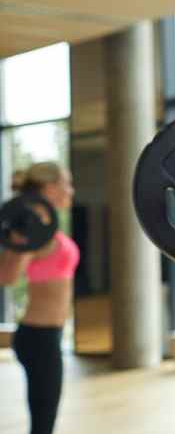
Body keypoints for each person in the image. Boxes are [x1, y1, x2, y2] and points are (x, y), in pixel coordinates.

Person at [0, 162, 79, 434]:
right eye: (66, 184)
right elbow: (8, 276)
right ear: (49, 188)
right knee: (44, 423)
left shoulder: (45, 224)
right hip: (39, 337)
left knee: (45, 419)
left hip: (48, 335)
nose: (71, 190)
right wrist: (24, 237)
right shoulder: (32, 223)